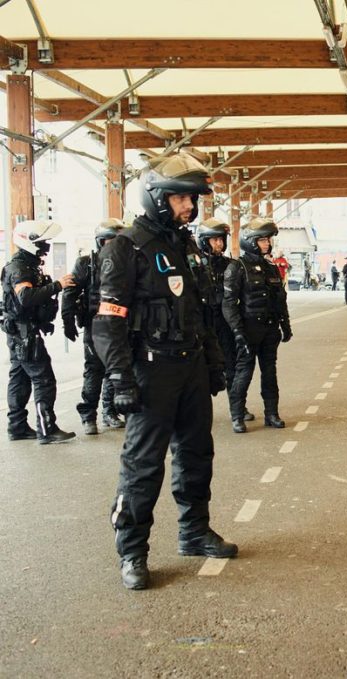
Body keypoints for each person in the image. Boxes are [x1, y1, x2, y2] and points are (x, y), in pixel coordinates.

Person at [93, 152, 235, 590]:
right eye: (179, 199)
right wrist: (119, 377)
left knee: (196, 455)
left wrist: (212, 363)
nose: (189, 207)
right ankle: (132, 551)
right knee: (143, 465)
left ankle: (194, 531)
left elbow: (199, 311)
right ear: (156, 197)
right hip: (150, 372)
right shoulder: (125, 247)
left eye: (191, 199)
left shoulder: (185, 246)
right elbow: (108, 321)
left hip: (189, 367)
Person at [2, 220, 76, 443]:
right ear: (29, 242)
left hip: (20, 333)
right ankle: (47, 429)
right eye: (42, 242)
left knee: (20, 379)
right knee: (43, 379)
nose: (46, 246)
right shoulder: (19, 268)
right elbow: (25, 298)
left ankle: (17, 427)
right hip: (25, 336)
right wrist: (57, 286)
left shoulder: (25, 265)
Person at [223, 217, 292, 434]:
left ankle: (271, 414)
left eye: (268, 240)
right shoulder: (237, 267)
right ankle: (237, 416)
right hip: (248, 328)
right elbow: (229, 304)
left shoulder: (271, 267)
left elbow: (280, 299)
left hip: (270, 329)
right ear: (250, 241)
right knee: (243, 372)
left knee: (270, 373)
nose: (267, 243)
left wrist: (286, 325)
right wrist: (237, 331)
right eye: (262, 240)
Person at [61, 218, 127, 435]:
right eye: (110, 241)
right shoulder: (85, 264)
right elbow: (70, 292)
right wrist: (67, 320)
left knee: (113, 369)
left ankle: (110, 412)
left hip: (119, 325)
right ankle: (88, 414)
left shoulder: (126, 264)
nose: (114, 246)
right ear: (100, 241)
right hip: (94, 325)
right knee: (94, 371)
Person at [195, 218, 256, 424]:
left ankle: (237, 406)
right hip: (202, 323)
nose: (219, 243)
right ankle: (198, 414)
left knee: (231, 366)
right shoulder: (193, 266)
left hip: (225, 322)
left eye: (221, 239)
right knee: (200, 370)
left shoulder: (231, 265)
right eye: (214, 240)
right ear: (204, 241)